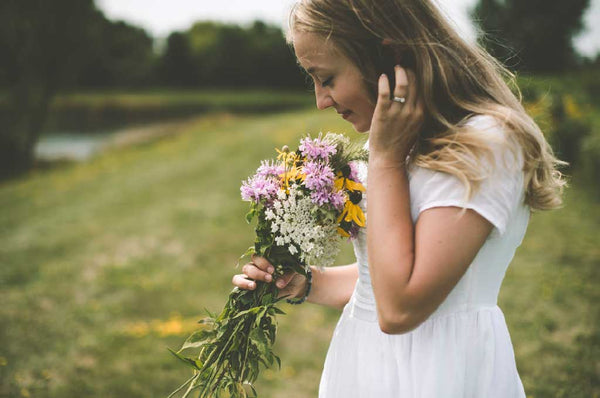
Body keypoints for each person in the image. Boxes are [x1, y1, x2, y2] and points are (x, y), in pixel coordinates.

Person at [232, 0, 566, 396]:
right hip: (366, 362)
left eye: (327, 78)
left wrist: (386, 159)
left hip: (438, 370)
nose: (321, 100)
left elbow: (400, 306)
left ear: (386, 56)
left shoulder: (482, 145)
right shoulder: (404, 138)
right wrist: (306, 283)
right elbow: (387, 274)